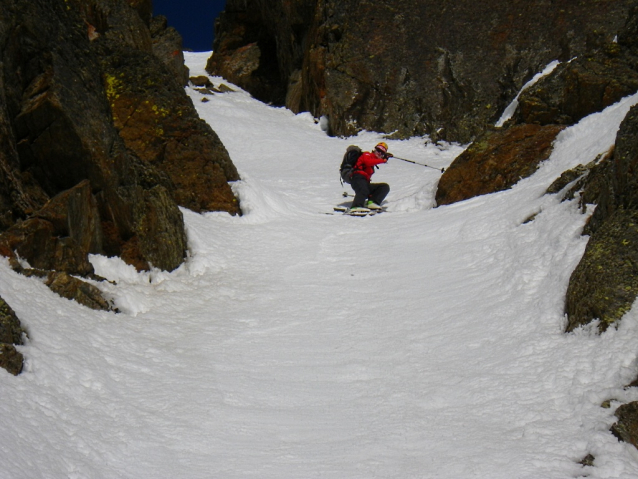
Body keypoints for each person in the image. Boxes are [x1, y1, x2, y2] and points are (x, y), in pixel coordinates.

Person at [350, 142, 392, 212]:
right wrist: (383, 160)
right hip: (357, 178)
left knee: (384, 187)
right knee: (364, 188)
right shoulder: (367, 154)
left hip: (364, 182)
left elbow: (372, 162)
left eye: (382, 153)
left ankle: (372, 202)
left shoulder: (373, 163)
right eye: (378, 150)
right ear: (375, 149)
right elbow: (367, 162)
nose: (379, 153)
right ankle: (356, 206)